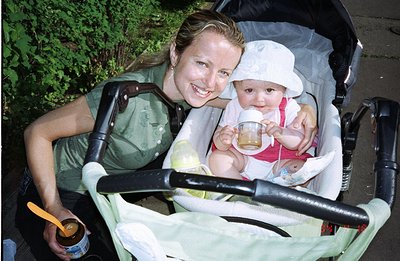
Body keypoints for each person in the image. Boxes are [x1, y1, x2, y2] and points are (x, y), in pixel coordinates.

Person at [16, 11, 316, 260]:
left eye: (224, 72)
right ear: (176, 52)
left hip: (118, 183)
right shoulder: (123, 97)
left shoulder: (194, 90)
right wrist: (53, 206)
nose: (212, 82)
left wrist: (303, 108)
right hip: (64, 188)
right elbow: (38, 132)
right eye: (202, 63)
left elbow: (255, 101)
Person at [209, 40, 329, 186]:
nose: (259, 99)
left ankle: (281, 187)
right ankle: (240, 189)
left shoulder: (288, 107)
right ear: (236, 88)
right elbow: (220, 136)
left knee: (299, 168)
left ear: (284, 90)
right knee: (217, 159)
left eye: (269, 90)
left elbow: (299, 141)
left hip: (278, 162)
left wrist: (280, 133)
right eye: (249, 90)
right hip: (242, 159)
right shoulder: (234, 106)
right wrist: (222, 140)